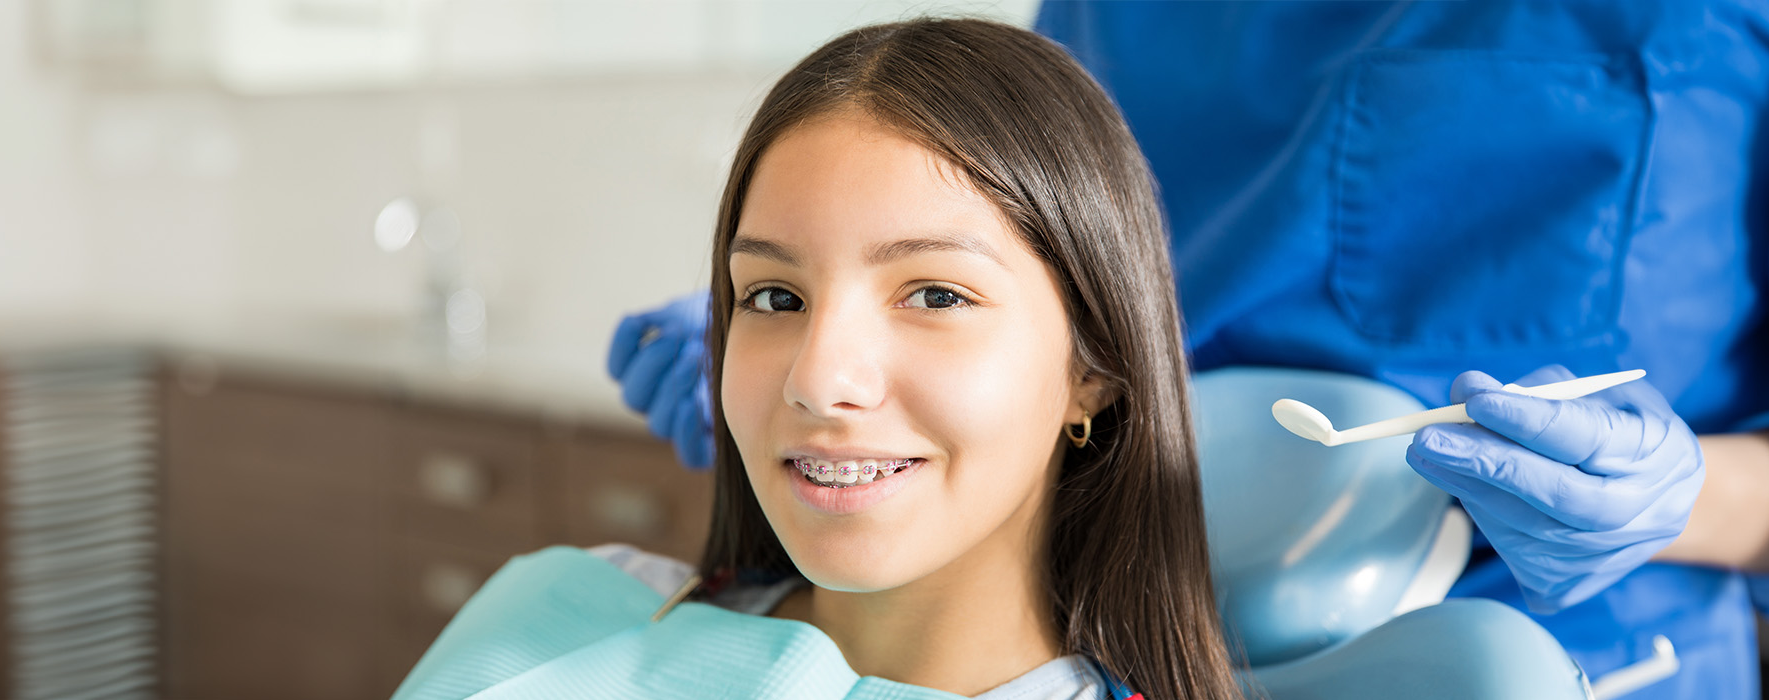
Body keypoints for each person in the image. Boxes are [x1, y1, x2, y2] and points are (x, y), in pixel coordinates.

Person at [609, 2, 1769, 697]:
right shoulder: (590, 631)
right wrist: (819, 322)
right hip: (1115, 633)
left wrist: (1671, 502)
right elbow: (1030, 252)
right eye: (763, 296)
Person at [405, 18, 1243, 700]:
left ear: (1091, 371)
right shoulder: (569, 611)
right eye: (774, 297)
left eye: (936, 296)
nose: (817, 378)